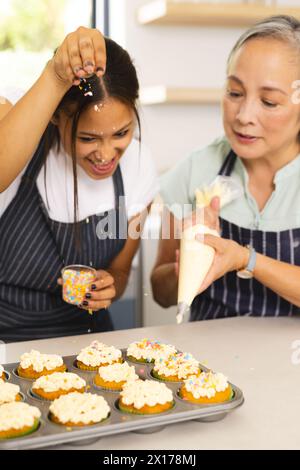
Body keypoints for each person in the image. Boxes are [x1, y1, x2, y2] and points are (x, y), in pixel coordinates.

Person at [0, 27, 158, 342]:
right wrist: (55, 76)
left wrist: (109, 284)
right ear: (57, 117)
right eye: (87, 138)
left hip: (88, 341)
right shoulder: (23, 139)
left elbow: (121, 269)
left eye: (121, 133)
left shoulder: (139, 165)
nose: (106, 154)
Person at [151, 15, 300, 320]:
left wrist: (245, 259)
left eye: (269, 102)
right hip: (204, 363)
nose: (244, 115)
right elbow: (160, 292)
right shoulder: (195, 169)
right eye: (234, 93)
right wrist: (189, 262)